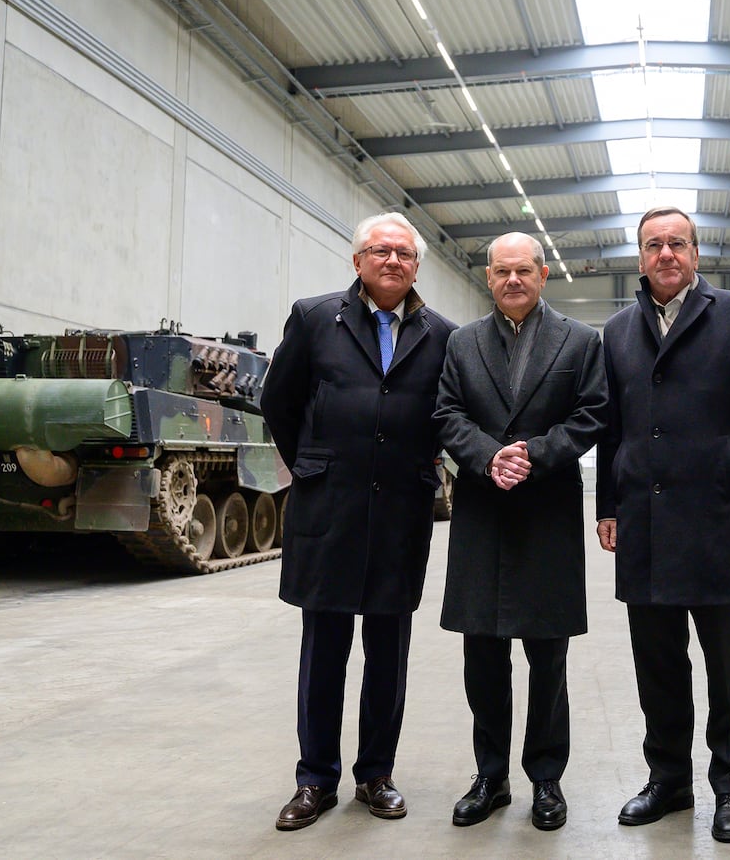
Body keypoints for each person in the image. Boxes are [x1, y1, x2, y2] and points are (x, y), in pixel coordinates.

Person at [594, 206, 730, 844]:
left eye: (677, 243)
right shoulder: (618, 330)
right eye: (654, 245)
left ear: (696, 253)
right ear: (640, 257)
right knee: (657, 664)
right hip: (644, 521)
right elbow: (610, 427)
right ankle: (669, 779)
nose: (666, 254)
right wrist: (607, 505)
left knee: (729, 665)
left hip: (721, 521)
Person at [260, 211, 456, 832]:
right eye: (379, 251)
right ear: (358, 261)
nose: (392, 261)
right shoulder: (317, 318)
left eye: (403, 253)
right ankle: (315, 779)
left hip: (401, 511)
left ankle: (375, 773)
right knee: (324, 652)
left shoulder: (442, 334)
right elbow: (279, 401)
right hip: (330, 510)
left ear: (417, 266)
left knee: (388, 652)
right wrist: (311, 465)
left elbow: (445, 416)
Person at [433, 232, 608, 832]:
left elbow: (591, 415)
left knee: (547, 657)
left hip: (547, 514)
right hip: (483, 513)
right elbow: (446, 414)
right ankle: (490, 776)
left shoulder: (581, 342)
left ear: (542, 275)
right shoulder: (461, 343)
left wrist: (532, 454)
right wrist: (488, 457)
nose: (513, 280)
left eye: (524, 271)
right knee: (482, 653)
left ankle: (546, 778)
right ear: (489, 278)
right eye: (502, 271)